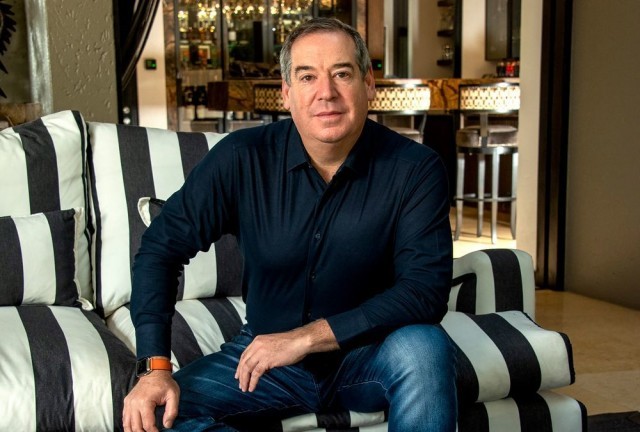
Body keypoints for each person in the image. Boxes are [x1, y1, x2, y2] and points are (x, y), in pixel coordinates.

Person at [123, 17, 456, 432]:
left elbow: (425, 291)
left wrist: (306, 337)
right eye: (307, 77)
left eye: (341, 74)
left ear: (368, 83)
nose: (326, 92)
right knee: (156, 414)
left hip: (372, 354)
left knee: (426, 348)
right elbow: (160, 249)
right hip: (266, 360)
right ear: (286, 93)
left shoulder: (416, 169)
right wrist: (154, 367)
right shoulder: (242, 158)